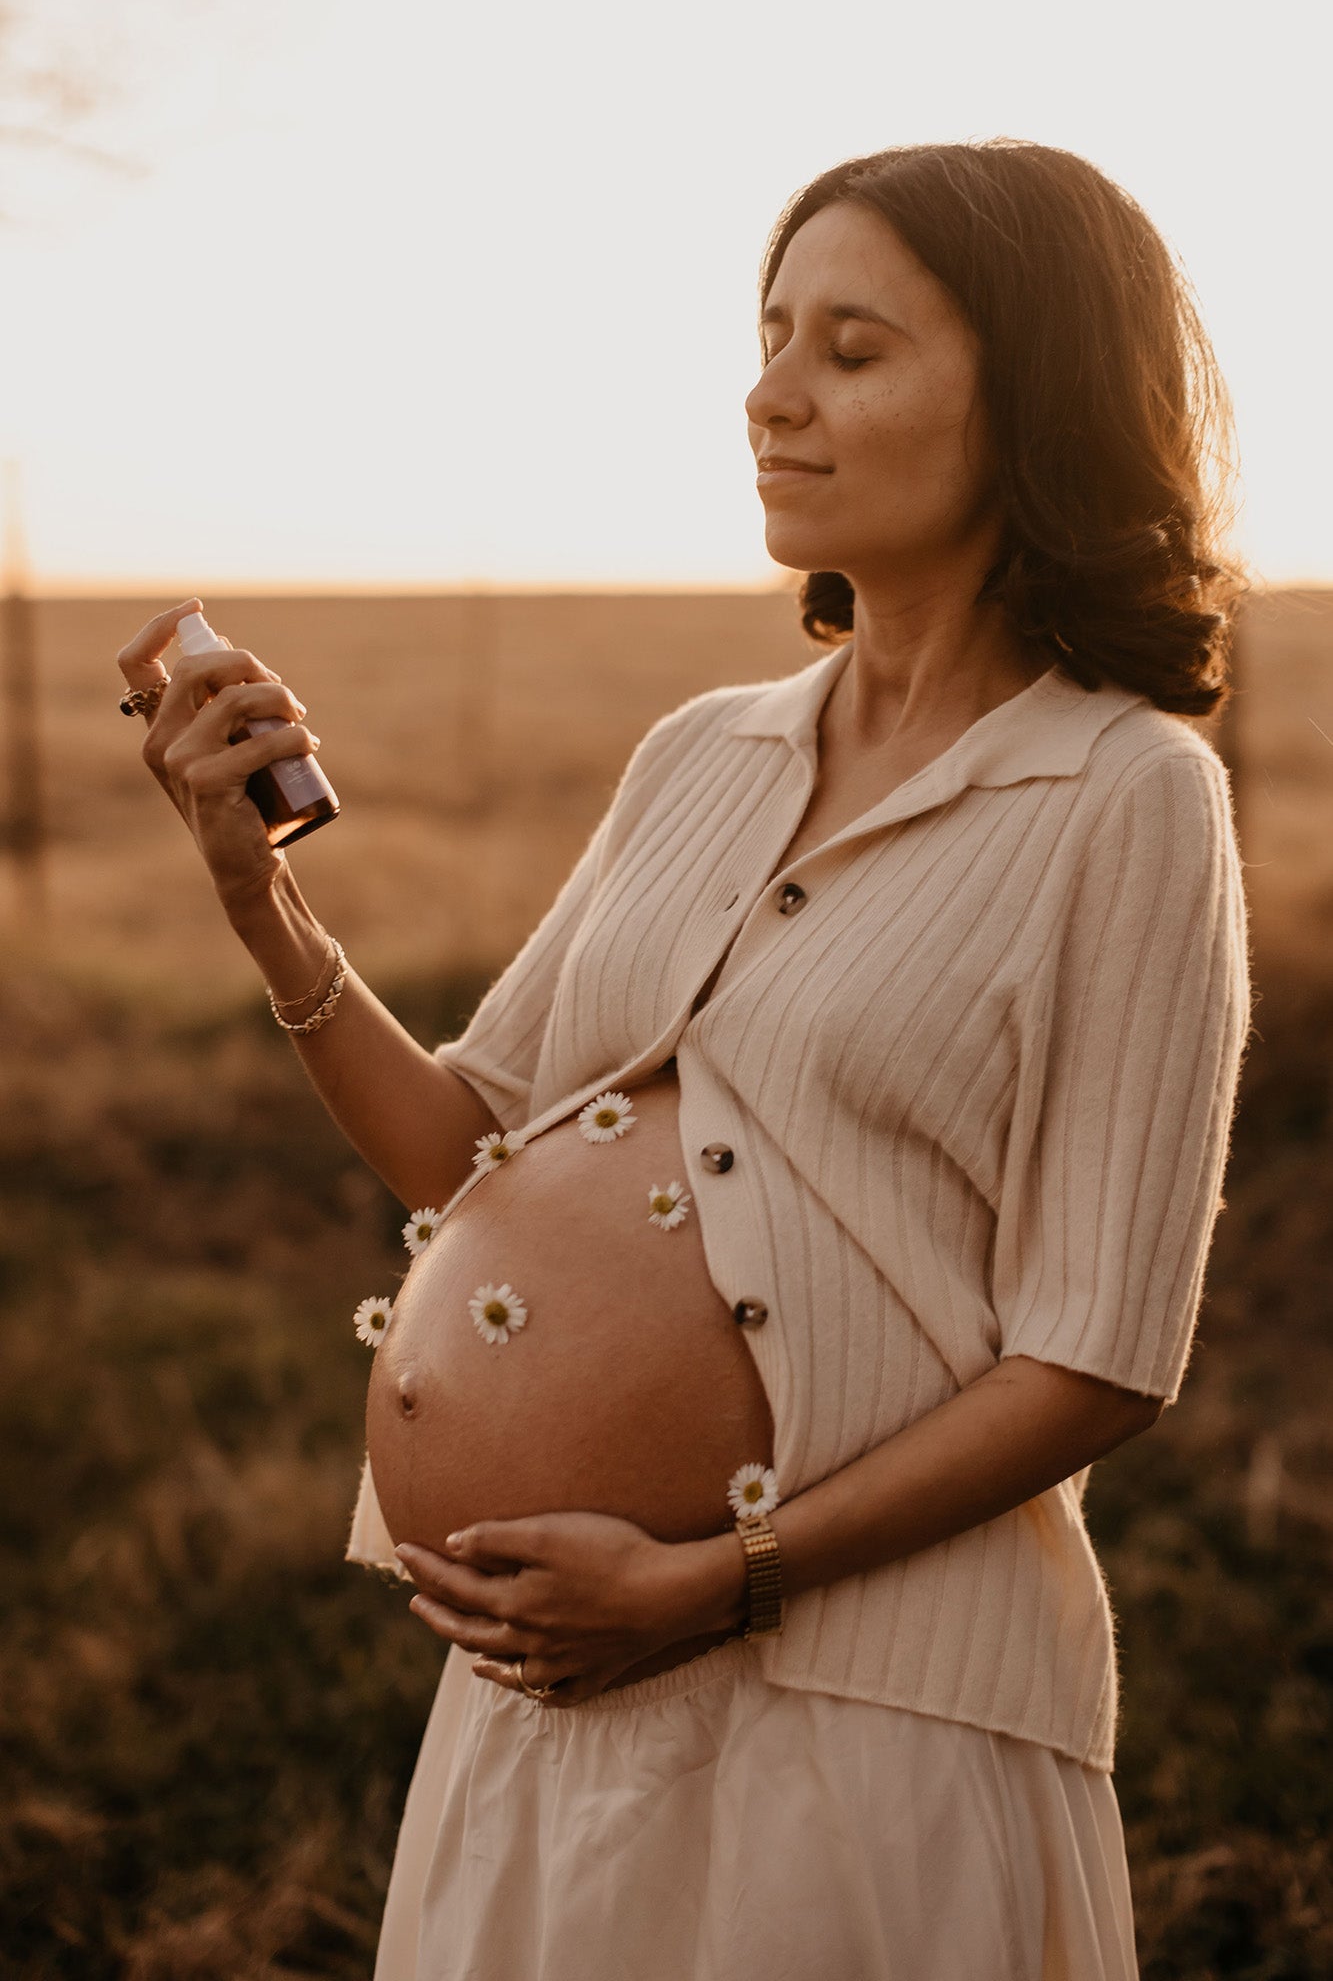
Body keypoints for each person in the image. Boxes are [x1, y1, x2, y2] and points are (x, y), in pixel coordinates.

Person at [116, 138, 1252, 1980]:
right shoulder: (703, 750)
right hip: (550, 1699)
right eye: (768, 335)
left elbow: (1098, 1354)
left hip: (865, 1722)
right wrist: (263, 902)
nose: (769, 394)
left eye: (852, 350)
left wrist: (715, 1583)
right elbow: (469, 1151)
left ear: (1033, 399)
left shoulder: (1124, 794)